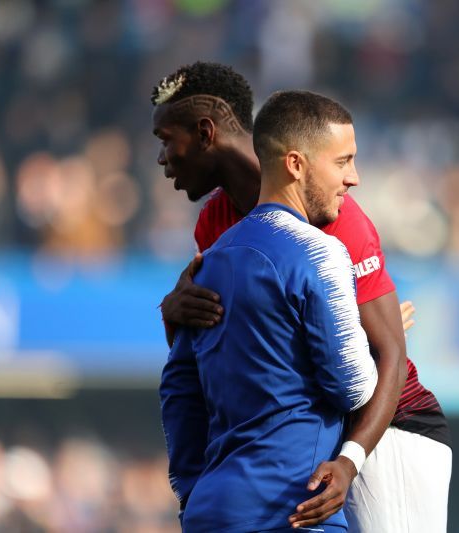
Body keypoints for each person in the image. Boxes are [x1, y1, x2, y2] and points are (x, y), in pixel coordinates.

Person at [153, 62, 452, 531]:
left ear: (206, 132)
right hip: (308, 447)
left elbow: (388, 354)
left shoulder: (337, 219)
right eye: (344, 162)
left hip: (387, 429)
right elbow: (220, 355)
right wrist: (173, 315)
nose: (162, 157)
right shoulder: (214, 224)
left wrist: (352, 459)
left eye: (167, 140)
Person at [160, 90, 378, 532]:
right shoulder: (320, 252)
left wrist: (193, 490)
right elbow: (352, 387)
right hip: (294, 508)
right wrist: (368, 339)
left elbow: (178, 391)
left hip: (213, 511)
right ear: (296, 165)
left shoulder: (207, 262)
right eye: (342, 162)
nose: (353, 178)